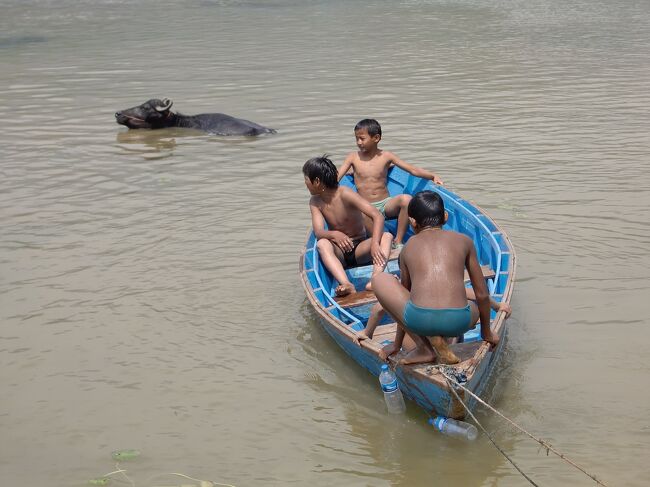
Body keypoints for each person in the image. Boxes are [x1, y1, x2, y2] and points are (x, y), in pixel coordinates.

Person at [370, 190, 501, 365]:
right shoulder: (465, 241)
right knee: (473, 307)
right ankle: (444, 338)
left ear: (412, 222)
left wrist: (396, 344)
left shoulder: (408, 247)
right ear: (445, 217)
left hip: (420, 321)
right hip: (459, 322)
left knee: (380, 280)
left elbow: (405, 297)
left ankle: (424, 348)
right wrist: (487, 332)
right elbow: (482, 295)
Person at [337, 119, 444, 248]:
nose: (358, 142)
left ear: (376, 138)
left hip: (385, 204)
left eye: (362, 138)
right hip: (365, 207)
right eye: (356, 139)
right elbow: (337, 177)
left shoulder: (386, 156)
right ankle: (381, 241)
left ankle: (398, 241)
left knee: (406, 199)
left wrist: (432, 175)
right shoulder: (353, 157)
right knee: (357, 211)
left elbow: (412, 169)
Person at [303, 155, 393, 296]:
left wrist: (375, 243)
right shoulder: (315, 202)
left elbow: (377, 215)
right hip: (339, 252)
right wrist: (334, 234)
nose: (305, 183)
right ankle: (346, 283)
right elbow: (319, 231)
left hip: (359, 249)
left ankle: (375, 279)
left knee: (386, 236)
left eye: (306, 179)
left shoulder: (345, 193)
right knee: (322, 244)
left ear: (317, 181)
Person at [355, 288, 511, 363]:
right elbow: (476, 294)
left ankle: (426, 350)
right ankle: (449, 345)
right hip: (450, 332)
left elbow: (378, 309)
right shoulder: (437, 287)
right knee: (464, 308)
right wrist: (497, 307)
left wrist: (367, 333)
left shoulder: (405, 292)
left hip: (417, 345)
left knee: (402, 315)